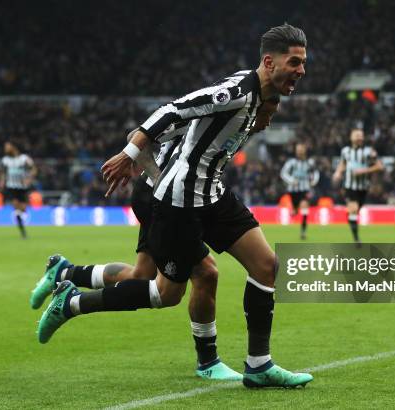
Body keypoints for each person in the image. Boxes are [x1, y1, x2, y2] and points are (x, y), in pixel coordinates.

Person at [38, 24, 313, 388]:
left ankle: (259, 365)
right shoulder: (234, 92)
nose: (301, 71)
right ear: (268, 61)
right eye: (294, 62)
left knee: (266, 265)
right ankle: (72, 302)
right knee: (163, 292)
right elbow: (173, 110)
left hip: (212, 195)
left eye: (303, 63)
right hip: (179, 202)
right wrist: (130, 153)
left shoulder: (258, 101)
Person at [30, 129, 240, 381]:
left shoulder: (235, 119)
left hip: (156, 197)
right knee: (193, 279)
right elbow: (135, 136)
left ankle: (64, 272)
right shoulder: (208, 110)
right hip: (163, 201)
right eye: (271, 106)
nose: (269, 115)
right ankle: (72, 303)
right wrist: (162, 182)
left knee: (140, 275)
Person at [332, 127, 384, 245]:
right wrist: (338, 172)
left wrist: (364, 171)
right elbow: (343, 163)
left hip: (363, 187)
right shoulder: (345, 151)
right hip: (349, 186)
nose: (359, 137)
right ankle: (356, 239)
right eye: (357, 135)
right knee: (354, 209)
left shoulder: (369, 152)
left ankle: (350, 213)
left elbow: (380, 166)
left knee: (355, 211)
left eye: (361, 135)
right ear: (351, 138)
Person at [280, 143, 319, 239]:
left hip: (305, 189)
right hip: (293, 191)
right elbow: (283, 173)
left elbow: (316, 173)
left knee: (305, 206)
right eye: (298, 150)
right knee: (295, 211)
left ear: (304, 150)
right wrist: (291, 180)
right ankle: (295, 210)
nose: (300, 151)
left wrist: (313, 181)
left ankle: (303, 232)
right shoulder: (291, 162)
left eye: (301, 149)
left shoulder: (309, 163)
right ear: (296, 151)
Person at [0, 142, 36, 238]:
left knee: (23, 209)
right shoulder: (5, 160)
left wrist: (29, 179)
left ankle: (21, 221)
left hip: (23, 187)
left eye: (7, 147)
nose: (5, 149)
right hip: (11, 186)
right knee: (16, 206)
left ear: (13, 147)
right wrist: (2, 181)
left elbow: (34, 169)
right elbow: (3, 172)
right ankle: (23, 232)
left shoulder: (24, 158)